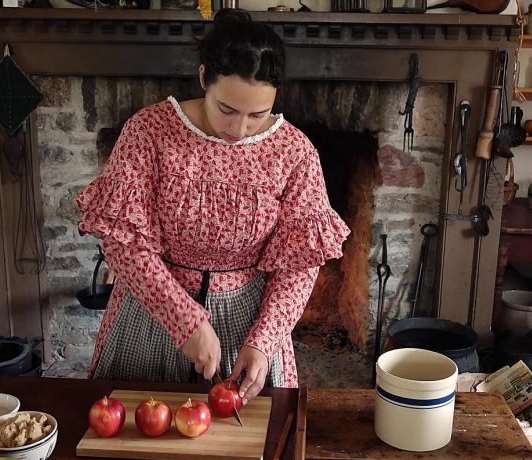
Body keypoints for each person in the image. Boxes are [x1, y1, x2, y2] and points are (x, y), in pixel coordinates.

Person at [77, 8, 349, 405]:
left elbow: (299, 265)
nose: (239, 130)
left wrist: (265, 339)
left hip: (248, 325)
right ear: (204, 77)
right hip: (151, 312)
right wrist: (183, 321)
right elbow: (124, 245)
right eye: (227, 109)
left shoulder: (294, 151)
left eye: (257, 114)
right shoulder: (149, 131)